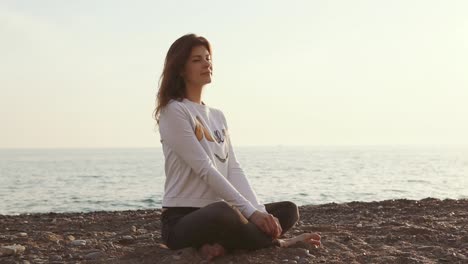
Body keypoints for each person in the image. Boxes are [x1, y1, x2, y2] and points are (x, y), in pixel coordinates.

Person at [154, 33, 321, 261]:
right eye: (196, 60)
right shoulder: (174, 111)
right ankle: (277, 243)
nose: (206, 63)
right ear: (180, 69)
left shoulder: (217, 116)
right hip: (183, 219)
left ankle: (216, 245)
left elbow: (233, 168)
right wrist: (250, 214)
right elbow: (204, 169)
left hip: (223, 214)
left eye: (208, 57)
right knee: (225, 212)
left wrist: (259, 212)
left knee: (288, 211)